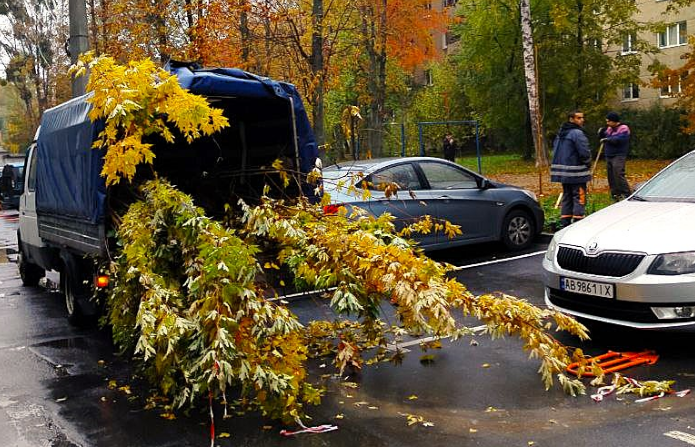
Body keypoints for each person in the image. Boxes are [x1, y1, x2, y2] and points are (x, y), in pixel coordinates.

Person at [550, 111, 592, 228]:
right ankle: (578, 223)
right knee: (579, 196)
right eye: (579, 118)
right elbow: (584, 151)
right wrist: (588, 162)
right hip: (576, 172)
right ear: (571, 119)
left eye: (582, 117)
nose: (582, 120)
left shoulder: (561, 133)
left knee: (567, 197)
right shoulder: (577, 133)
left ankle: (565, 223)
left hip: (563, 172)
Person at [598, 111, 631, 201]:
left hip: (619, 155)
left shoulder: (623, 128)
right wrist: (601, 133)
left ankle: (627, 194)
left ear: (614, 121)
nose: (607, 123)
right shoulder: (609, 129)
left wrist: (607, 140)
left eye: (608, 121)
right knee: (611, 175)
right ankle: (615, 194)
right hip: (609, 155)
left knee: (618, 173)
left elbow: (619, 140)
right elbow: (603, 136)